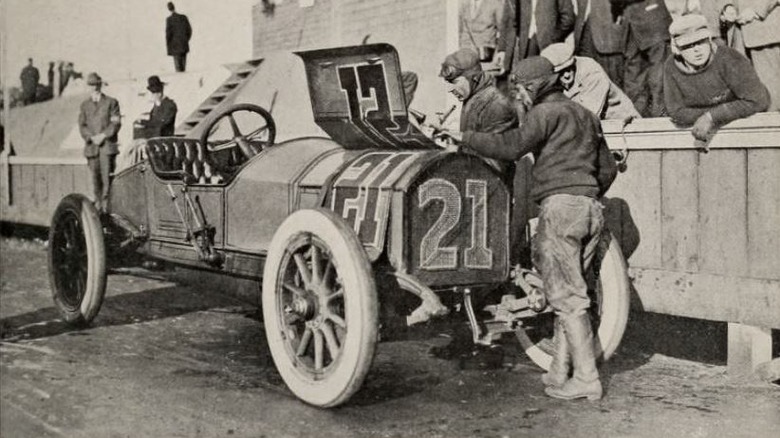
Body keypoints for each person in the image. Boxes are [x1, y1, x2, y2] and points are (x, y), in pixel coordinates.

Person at [440, 56, 618, 400]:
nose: (519, 96)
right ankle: (559, 372)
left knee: (567, 298)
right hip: (591, 209)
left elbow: (511, 147)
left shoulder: (544, 113)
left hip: (560, 210)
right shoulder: (586, 115)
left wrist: (463, 135)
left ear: (534, 86)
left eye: (520, 88)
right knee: (569, 296)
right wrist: (584, 193)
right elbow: (608, 170)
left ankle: (586, 378)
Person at [429, 48, 519, 369]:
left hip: (489, 194)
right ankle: (464, 338)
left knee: (480, 272)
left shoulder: (497, 104)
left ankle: (483, 340)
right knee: (461, 270)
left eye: (457, 82)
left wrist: (457, 145)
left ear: (475, 77)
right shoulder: (472, 101)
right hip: (472, 193)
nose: (452, 88)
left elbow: (496, 155)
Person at [664, 14, 769, 144]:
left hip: (745, 127)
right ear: (677, 49)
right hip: (705, 129)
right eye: (688, 46)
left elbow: (758, 99)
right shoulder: (671, 67)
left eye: (701, 41)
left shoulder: (729, 58)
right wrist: (707, 117)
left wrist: (712, 117)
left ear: (709, 39)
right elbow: (676, 111)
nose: (697, 50)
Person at [541, 42, 640, 120]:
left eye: (569, 69)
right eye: (561, 72)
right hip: (594, 127)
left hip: (622, 124)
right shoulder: (549, 80)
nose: (566, 75)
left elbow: (588, 117)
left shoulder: (590, 71)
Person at [612, 0, 673, 117]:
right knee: (634, 78)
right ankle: (637, 122)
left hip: (653, 19)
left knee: (659, 79)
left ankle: (660, 122)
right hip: (631, 21)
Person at [721, 0, 780, 111]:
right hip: (737, 30)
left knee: (772, 97)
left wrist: (756, 10)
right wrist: (727, 6)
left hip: (765, 28)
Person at [496, 0, 576, 78]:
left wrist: (554, 37)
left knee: (548, 82)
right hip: (526, 45)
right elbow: (510, 18)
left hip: (550, 47)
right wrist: (502, 49)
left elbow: (568, 18)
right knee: (526, 81)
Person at [78, 73, 121, 213]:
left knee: (108, 182)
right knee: (95, 182)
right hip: (92, 149)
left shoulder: (111, 102)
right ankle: (97, 211)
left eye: (96, 84)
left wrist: (103, 135)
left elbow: (115, 123)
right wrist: (91, 137)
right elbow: (82, 125)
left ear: (100, 85)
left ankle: (108, 210)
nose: (94, 88)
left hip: (106, 148)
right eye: (91, 85)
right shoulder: (84, 105)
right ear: (88, 87)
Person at [459, 0, 506, 68]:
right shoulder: (465, 4)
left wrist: (500, 53)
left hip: (488, 58)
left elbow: (504, 32)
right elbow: (463, 32)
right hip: (468, 58)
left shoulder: (495, 4)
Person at [166, 2, 192, 72]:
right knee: (183, 68)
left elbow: (168, 34)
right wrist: (186, 40)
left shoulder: (169, 19)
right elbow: (189, 30)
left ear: (168, 9)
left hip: (175, 46)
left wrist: (169, 45)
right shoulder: (183, 17)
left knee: (178, 69)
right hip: (184, 45)